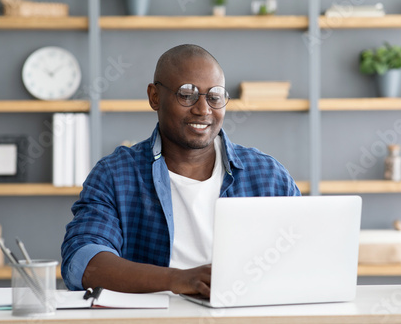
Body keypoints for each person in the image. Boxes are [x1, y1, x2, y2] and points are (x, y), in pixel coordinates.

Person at [61, 44, 301, 297]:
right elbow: (84, 261)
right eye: (187, 95)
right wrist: (178, 279)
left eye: (215, 96)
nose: (203, 109)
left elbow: (306, 252)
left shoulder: (267, 175)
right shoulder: (115, 174)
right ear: (154, 97)